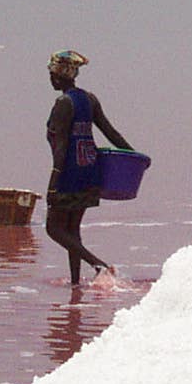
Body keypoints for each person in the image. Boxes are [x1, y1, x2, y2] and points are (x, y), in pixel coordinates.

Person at [43, 50, 131, 284]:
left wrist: (53, 183)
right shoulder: (89, 99)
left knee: (53, 229)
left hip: (70, 173)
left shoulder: (63, 103)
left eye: (52, 74)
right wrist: (133, 154)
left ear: (60, 76)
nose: (50, 79)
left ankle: (98, 265)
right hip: (90, 170)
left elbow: (61, 148)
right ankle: (75, 283)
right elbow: (111, 132)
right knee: (72, 230)